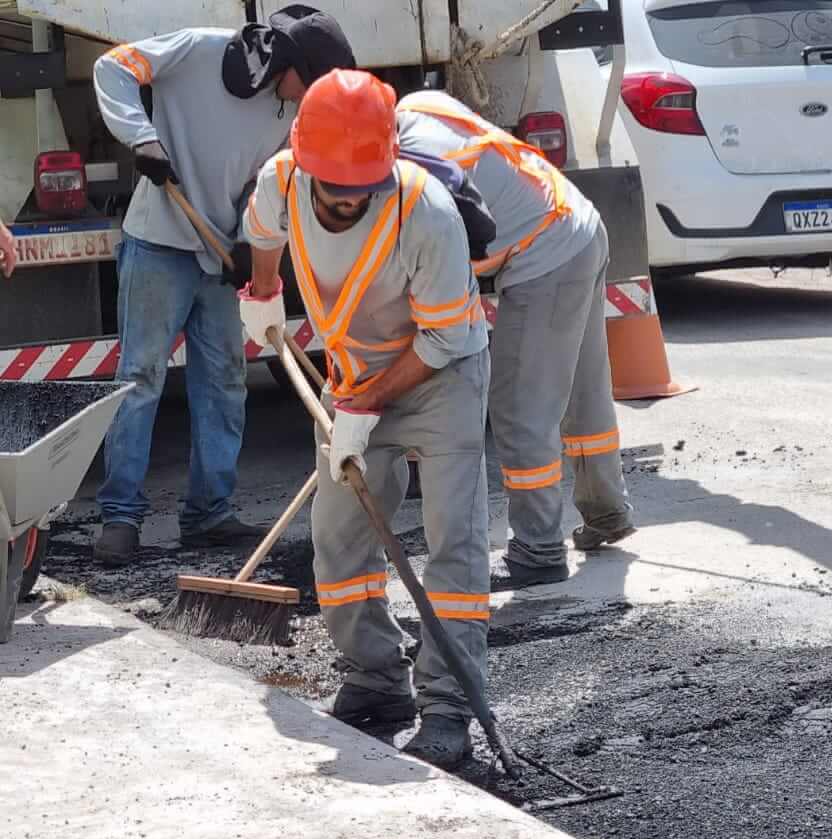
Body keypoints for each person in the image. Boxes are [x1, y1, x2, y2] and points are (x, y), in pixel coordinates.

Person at [242, 70, 491, 770]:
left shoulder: (428, 214)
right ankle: (377, 680)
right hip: (356, 375)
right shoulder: (282, 180)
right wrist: (263, 295)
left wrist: (365, 407)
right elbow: (263, 232)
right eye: (337, 185)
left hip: (442, 376)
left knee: (454, 544)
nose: (349, 195)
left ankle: (449, 709)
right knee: (339, 538)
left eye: (362, 183)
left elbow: (443, 340)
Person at [90, 5, 354, 566]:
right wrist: (142, 138)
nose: (309, 97)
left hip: (214, 257)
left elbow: (262, 179)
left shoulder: (288, 109)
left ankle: (208, 513)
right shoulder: (199, 50)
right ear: (287, 61)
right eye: (310, 82)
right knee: (139, 379)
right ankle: (120, 517)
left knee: (225, 384)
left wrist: (244, 242)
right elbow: (113, 67)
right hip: (156, 244)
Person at [395, 90, 635, 587]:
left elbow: (439, 287)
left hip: (545, 253)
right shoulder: (418, 106)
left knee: (521, 407)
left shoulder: (416, 181)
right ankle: (607, 510)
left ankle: (539, 549)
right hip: (579, 222)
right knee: (584, 395)